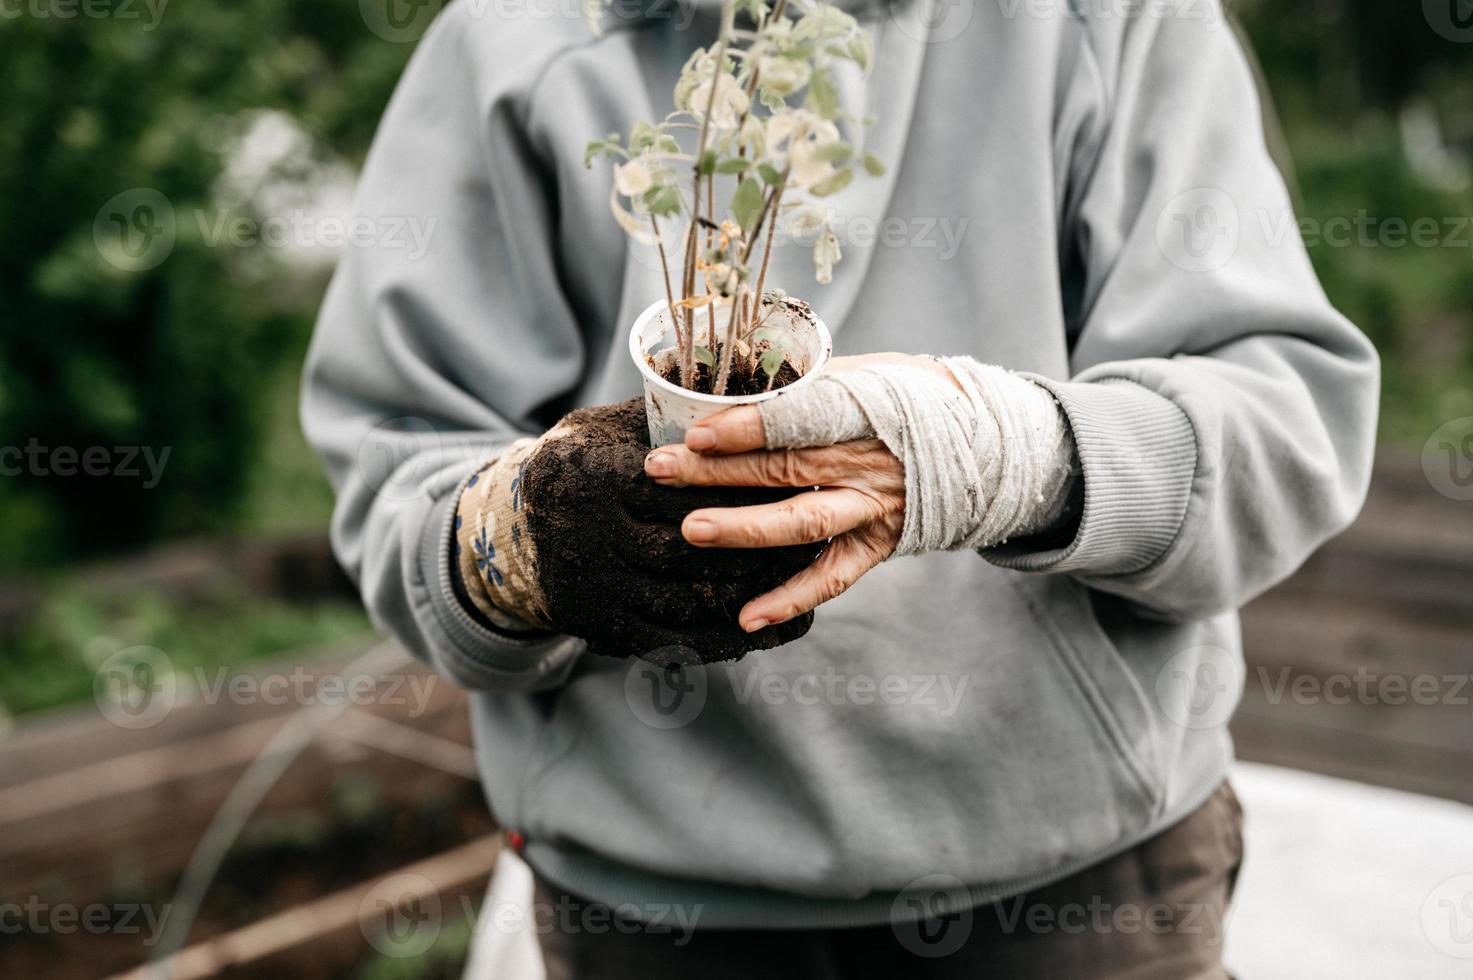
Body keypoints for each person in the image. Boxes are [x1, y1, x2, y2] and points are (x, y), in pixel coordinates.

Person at [302, 0, 1379, 974]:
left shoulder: (1111, 23)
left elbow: (1287, 428)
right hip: (656, 920)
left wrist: (1007, 453)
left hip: (1076, 899)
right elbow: (401, 467)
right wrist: (526, 538)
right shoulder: (514, 38)